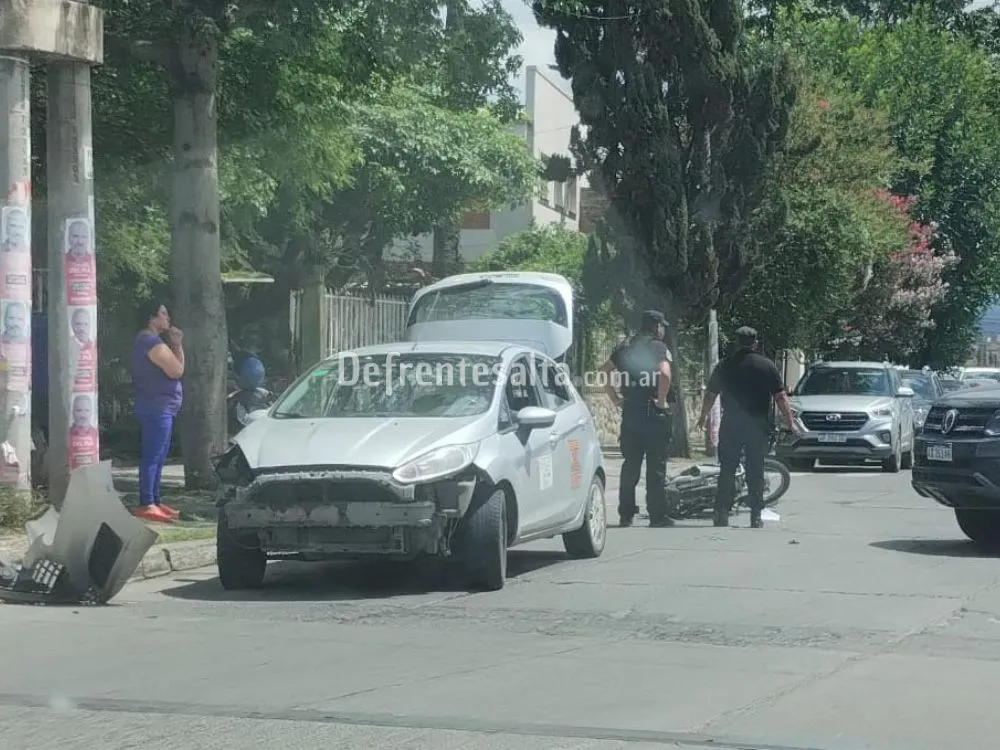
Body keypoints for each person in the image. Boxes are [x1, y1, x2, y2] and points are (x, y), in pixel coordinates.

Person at [696, 326, 799, 529]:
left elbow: (710, 394)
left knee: (727, 469)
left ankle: (722, 513)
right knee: (756, 469)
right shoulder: (766, 366)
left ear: (736, 342)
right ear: (755, 343)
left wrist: (702, 416)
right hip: (757, 424)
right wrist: (790, 423)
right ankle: (755, 515)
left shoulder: (725, 366)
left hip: (732, 423)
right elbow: (780, 397)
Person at [600, 310, 674, 527]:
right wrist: (661, 400)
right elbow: (665, 373)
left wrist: (614, 398)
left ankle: (626, 513)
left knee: (630, 465)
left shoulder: (625, 347)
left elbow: (604, 370)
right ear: (655, 326)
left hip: (631, 412)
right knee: (656, 467)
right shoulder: (658, 347)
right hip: (653, 414)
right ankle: (657, 515)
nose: (663, 330)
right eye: (661, 326)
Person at [131, 302, 184, 523]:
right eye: (163, 313)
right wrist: (178, 345)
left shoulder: (150, 341)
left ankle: (155, 499)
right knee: (153, 455)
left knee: (160, 454)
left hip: (161, 406)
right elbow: (177, 370)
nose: (167, 317)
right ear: (151, 318)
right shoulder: (151, 342)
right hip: (157, 407)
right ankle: (147, 502)